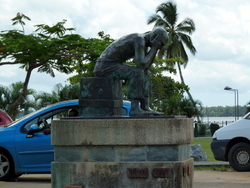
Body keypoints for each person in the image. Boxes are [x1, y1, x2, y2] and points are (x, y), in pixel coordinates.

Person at [94, 28, 168, 116]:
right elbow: (141, 65)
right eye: (161, 44)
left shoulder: (144, 44)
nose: (161, 47)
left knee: (146, 73)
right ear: (155, 38)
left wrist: (154, 49)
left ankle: (145, 107)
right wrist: (154, 48)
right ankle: (135, 109)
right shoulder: (139, 40)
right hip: (103, 67)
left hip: (113, 65)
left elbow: (146, 67)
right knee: (136, 72)